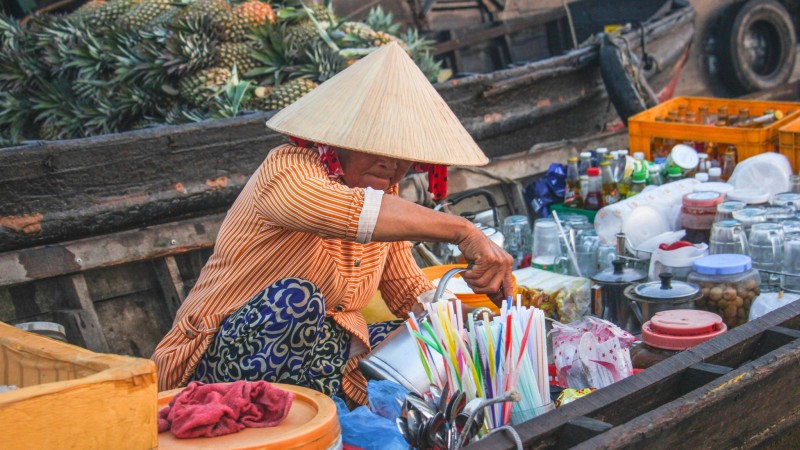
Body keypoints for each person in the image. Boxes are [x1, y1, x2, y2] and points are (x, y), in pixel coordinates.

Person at [152, 42, 514, 405]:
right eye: (376, 146)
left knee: (426, 338)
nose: (390, 164)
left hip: (320, 358)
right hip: (214, 363)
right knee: (296, 299)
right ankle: (292, 415)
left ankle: (328, 411)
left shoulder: (387, 201)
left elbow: (409, 292)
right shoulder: (287, 169)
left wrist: (485, 321)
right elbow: (347, 212)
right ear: (342, 139)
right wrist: (463, 230)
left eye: (402, 155)